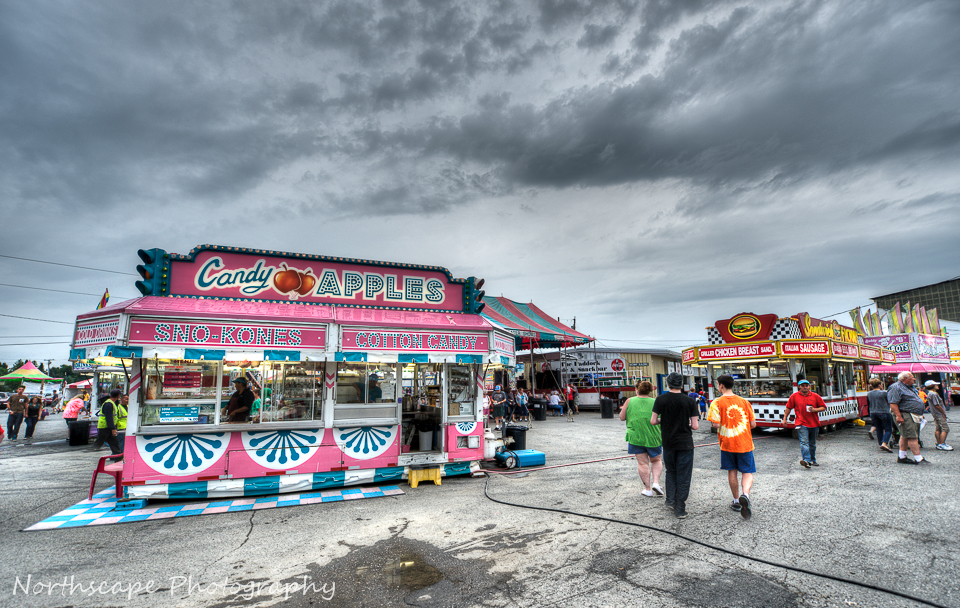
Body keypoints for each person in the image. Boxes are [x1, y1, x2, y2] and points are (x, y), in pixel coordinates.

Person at [651, 372, 699, 519]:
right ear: (682, 384)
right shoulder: (689, 401)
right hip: (685, 443)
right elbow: (695, 426)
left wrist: (663, 421)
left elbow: (653, 421)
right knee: (683, 475)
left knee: (671, 471)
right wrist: (687, 424)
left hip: (668, 442)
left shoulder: (660, 399)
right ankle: (680, 508)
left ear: (668, 384)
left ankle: (670, 500)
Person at [708, 375, 757, 518]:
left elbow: (716, 424)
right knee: (747, 472)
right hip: (745, 443)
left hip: (727, 444)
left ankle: (736, 501)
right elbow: (753, 424)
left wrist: (716, 424)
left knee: (732, 471)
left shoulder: (716, 403)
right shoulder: (744, 402)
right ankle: (745, 494)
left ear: (721, 385)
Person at [620, 380, 663, 497]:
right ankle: (656, 483)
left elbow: (622, 417)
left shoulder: (629, 401)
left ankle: (648, 489)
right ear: (650, 390)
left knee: (642, 463)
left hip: (636, 436)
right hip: (653, 436)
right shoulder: (656, 402)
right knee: (656, 460)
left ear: (637, 389)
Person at [782, 380, 826, 468]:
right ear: (799, 387)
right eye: (803, 386)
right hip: (801, 423)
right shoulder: (794, 396)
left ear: (809, 386)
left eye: (806, 385)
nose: (805, 387)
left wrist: (814, 410)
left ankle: (813, 460)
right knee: (804, 442)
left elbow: (823, 407)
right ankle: (807, 460)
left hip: (814, 423)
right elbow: (788, 407)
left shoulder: (815, 396)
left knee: (812, 444)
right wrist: (785, 419)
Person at [887, 372, 929, 464]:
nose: (914, 379)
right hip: (904, 413)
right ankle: (918, 458)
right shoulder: (896, 387)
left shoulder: (908, 387)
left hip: (912, 414)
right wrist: (898, 416)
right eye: (912, 377)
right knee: (912, 436)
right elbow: (893, 403)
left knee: (905, 435)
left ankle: (902, 457)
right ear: (905, 378)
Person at [93, 389, 124, 458]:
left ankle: (118, 457)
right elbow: (109, 417)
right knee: (100, 442)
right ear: (118, 395)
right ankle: (91, 451)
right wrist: (113, 428)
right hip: (105, 427)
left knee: (114, 443)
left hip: (108, 427)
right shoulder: (109, 404)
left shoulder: (112, 403)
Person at [867, 378, 894, 452]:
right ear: (880, 385)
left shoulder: (869, 393)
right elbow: (890, 401)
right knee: (888, 429)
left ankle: (880, 443)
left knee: (879, 429)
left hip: (873, 412)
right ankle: (884, 443)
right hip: (884, 412)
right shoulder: (884, 393)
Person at [925, 380, 952, 451]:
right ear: (932, 386)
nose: (937, 385)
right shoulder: (934, 394)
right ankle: (942, 444)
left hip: (935, 414)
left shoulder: (929, 393)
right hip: (939, 413)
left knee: (938, 429)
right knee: (945, 429)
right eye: (935, 384)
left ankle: (939, 443)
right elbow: (937, 405)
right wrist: (943, 412)